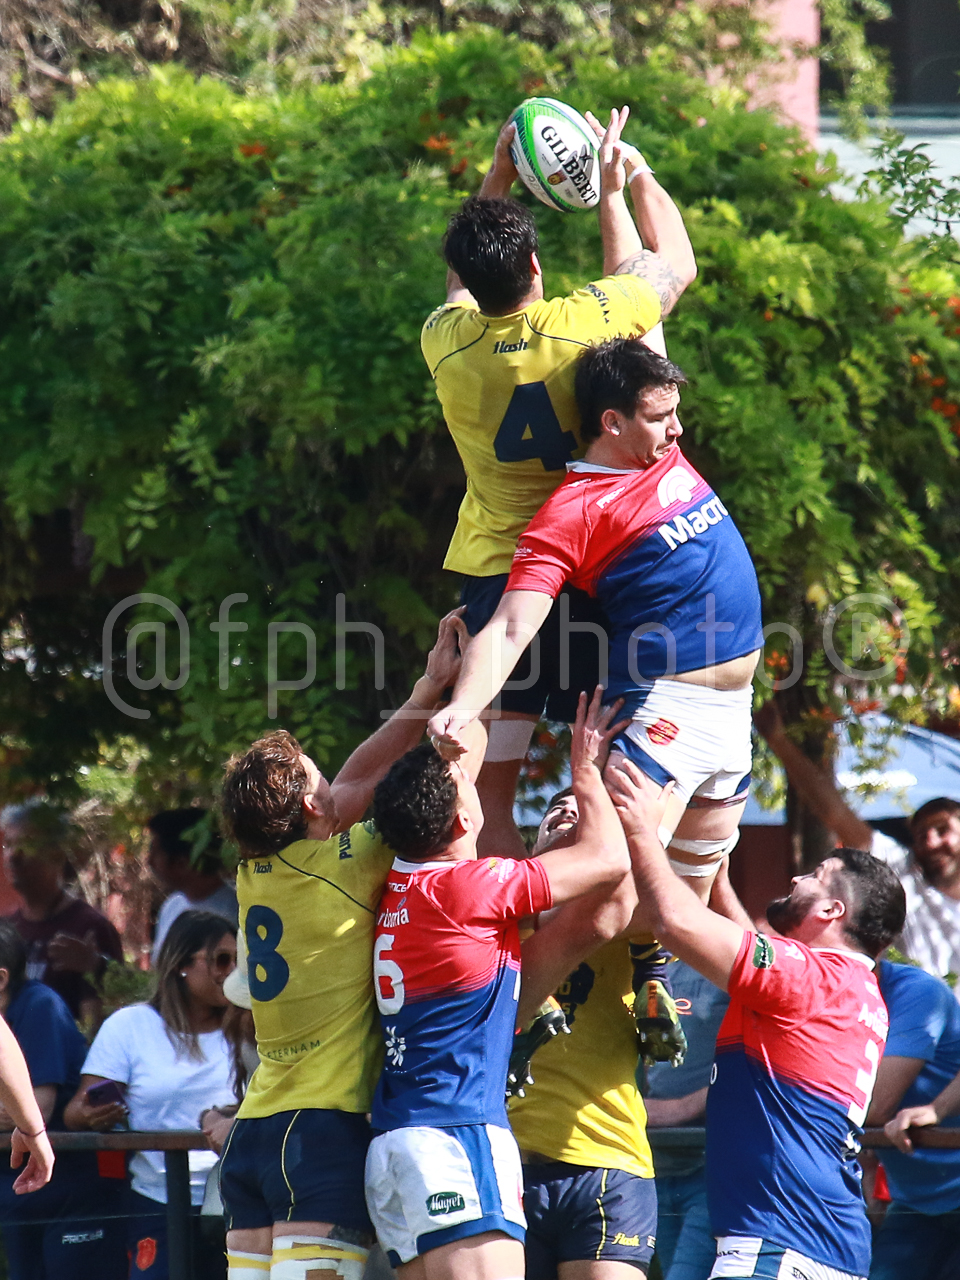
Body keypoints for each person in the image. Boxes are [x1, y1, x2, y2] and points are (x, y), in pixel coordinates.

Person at [425, 105, 696, 858]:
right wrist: (626, 172)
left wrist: (501, 170)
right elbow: (669, 260)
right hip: (589, 573)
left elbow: (458, 282)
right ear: (536, 266)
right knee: (609, 779)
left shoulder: (445, 344)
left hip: (498, 579)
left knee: (488, 794)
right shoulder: (586, 323)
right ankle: (631, 952)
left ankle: (502, 942)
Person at [431, 338, 764, 899]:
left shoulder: (660, 449)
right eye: (661, 418)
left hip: (735, 714)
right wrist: (463, 707)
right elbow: (511, 627)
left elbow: (649, 293)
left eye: (675, 412)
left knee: (678, 912)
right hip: (665, 712)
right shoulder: (572, 512)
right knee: (606, 897)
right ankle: (497, 962)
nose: (678, 429)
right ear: (612, 422)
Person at [217, 610, 467, 1280]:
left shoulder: (252, 878)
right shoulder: (346, 864)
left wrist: (422, 695)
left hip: (254, 1134)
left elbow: (348, 790)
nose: (338, 786)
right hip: (320, 1131)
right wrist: (447, 721)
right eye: (318, 779)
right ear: (310, 811)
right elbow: (375, 794)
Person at [364, 689, 631, 1279]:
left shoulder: (394, 882)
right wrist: (584, 771)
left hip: (392, 1145)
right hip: (456, 1137)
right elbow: (608, 860)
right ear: (462, 819)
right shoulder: (473, 887)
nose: (473, 783)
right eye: (466, 784)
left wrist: (454, 729)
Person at [607, 758, 906, 1280]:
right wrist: (718, 877)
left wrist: (640, 831)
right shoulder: (852, 987)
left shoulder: (812, 977)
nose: (797, 876)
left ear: (833, 912)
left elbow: (674, 921)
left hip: (778, 1240)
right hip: (818, 1240)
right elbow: (757, 966)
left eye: (815, 876)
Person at [507, 783, 659, 1279]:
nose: (567, 813)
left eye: (582, 811)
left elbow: (684, 889)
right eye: (556, 808)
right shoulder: (494, 921)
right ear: (530, 843)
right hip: (505, 1168)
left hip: (608, 1164)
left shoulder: (626, 916)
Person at [64, 910, 238, 1280]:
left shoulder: (252, 1026)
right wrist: (96, 1113)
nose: (232, 971)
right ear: (181, 965)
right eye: (222, 959)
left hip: (239, 1200)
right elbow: (76, 1110)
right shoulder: (131, 1026)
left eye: (240, 960)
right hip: (156, 1201)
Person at [755, 699, 960, 981]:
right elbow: (832, 811)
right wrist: (777, 740)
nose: (931, 842)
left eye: (942, 829)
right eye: (921, 834)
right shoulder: (903, 868)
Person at [0, 919, 127, 1278]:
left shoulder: (40, 1007)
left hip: (69, 1186)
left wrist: (28, 1125)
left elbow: (35, 1109)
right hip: (18, 1187)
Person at [865, 961, 960, 1279]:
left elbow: (876, 1105)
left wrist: (938, 1109)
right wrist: (868, 1162)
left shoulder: (918, 992)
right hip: (913, 1200)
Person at [644, 957, 730, 1280]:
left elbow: (760, 1061)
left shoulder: (734, 952)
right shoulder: (654, 963)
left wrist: (680, 1109)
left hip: (710, 1167)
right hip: (659, 1165)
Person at [1, 799, 124, 1024]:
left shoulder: (89, 927)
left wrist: (95, 966)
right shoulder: (7, 928)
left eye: (27, 845)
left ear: (57, 853)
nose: (12, 856)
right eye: (7, 845)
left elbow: (109, 1015)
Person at [146, 808, 238, 962]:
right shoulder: (171, 906)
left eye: (155, 853)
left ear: (182, 863)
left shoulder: (235, 911)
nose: (149, 861)